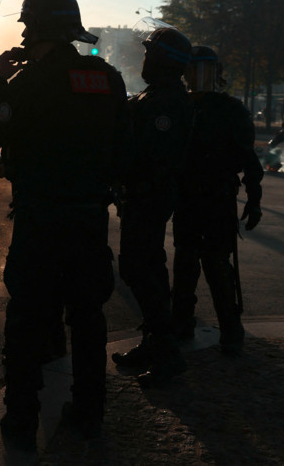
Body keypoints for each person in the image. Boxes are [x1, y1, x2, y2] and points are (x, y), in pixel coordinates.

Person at [0, 0, 127, 448]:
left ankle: (21, 416)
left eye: (27, 27)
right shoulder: (108, 78)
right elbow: (121, 143)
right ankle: (90, 410)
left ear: (38, 28)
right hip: (89, 217)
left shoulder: (31, 81)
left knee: (27, 316)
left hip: (41, 218)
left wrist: (0, 80)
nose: (24, 37)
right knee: (87, 317)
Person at [111, 22, 193, 387]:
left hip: (149, 197)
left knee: (138, 268)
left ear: (162, 60)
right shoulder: (155, 96)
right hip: (142, 196)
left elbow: (154, 156)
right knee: (149, 267)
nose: (144, 59)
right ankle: (154, 342)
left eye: (149, 53)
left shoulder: (168, 103)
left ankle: (167, 351)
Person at [171, 46, 263, 356]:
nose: (198, 76)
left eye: (204, 69)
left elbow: (248, 158)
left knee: (215, 265)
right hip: (188, 196)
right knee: (186, 262)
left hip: (217, 196)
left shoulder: (227, 109)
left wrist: (254, 197)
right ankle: (183, 323)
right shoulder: (179, 106)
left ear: (215, 72)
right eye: (193, 69)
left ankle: (230, 328)